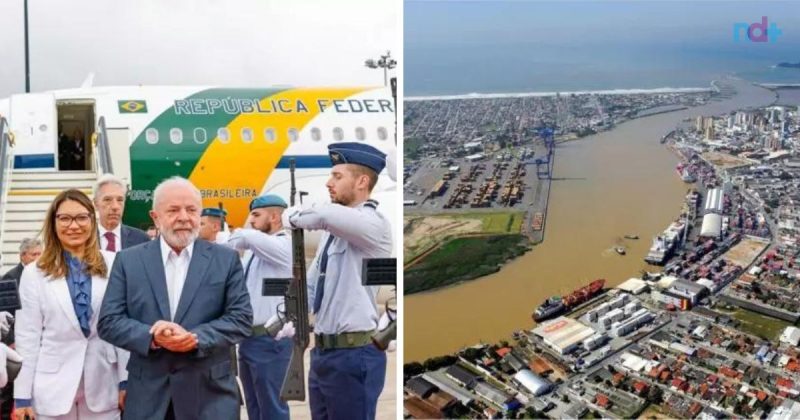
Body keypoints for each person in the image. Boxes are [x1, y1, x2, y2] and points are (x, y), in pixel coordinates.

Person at [98, 176, 252, 420]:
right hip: (149, 399)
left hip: (210, 398)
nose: (184, 217)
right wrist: (152, 337)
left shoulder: (225, 260)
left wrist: (196, 338)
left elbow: (241, 319)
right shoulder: (129, 261)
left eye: (191, 210)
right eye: (173, 210)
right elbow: (109, 321)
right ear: (155, 216)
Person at [285, 143, 392, 420]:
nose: (329, 183)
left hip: (353, 354)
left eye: (337, 176)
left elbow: (321, 215)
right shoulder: (333, 236)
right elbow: (310, 285)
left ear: (362, 181)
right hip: (323, 353)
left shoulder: (372, 224)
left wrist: (291, 216)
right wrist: (286, 317)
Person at [13, 189, 128, 420]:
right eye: (64, 218)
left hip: (104, 384)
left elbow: (123, 325)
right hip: (51, 388)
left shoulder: (115, 263)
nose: (73, 226)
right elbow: (28, 336)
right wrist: (22, 396)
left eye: (81, 217)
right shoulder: (34, 273)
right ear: (53, 223)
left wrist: (126, 380)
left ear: (92, 220)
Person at [224, 194, 293, 420]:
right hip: (249, 339)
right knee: (255, 409)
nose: (250, 220)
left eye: (256, 215)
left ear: (274, 217)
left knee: (272, 408)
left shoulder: (284, 245)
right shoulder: (255, 252)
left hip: (270, 340)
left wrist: (236, 235)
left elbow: (243, 236)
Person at [0, 238, 42, 419]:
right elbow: (4, 315)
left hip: (40, 344)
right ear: (22, 256)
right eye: (34, 255)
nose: (38, 258)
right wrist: (11, 343)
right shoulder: (10, 278)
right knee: (10, 393)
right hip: (15, 348)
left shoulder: (46, 276)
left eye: (41, 254)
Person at [93, 174, 149, 253]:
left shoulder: (141, 239)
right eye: (107, 200)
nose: (115, 207)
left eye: (120, 200)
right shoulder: (85, 238)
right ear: (96, 204)